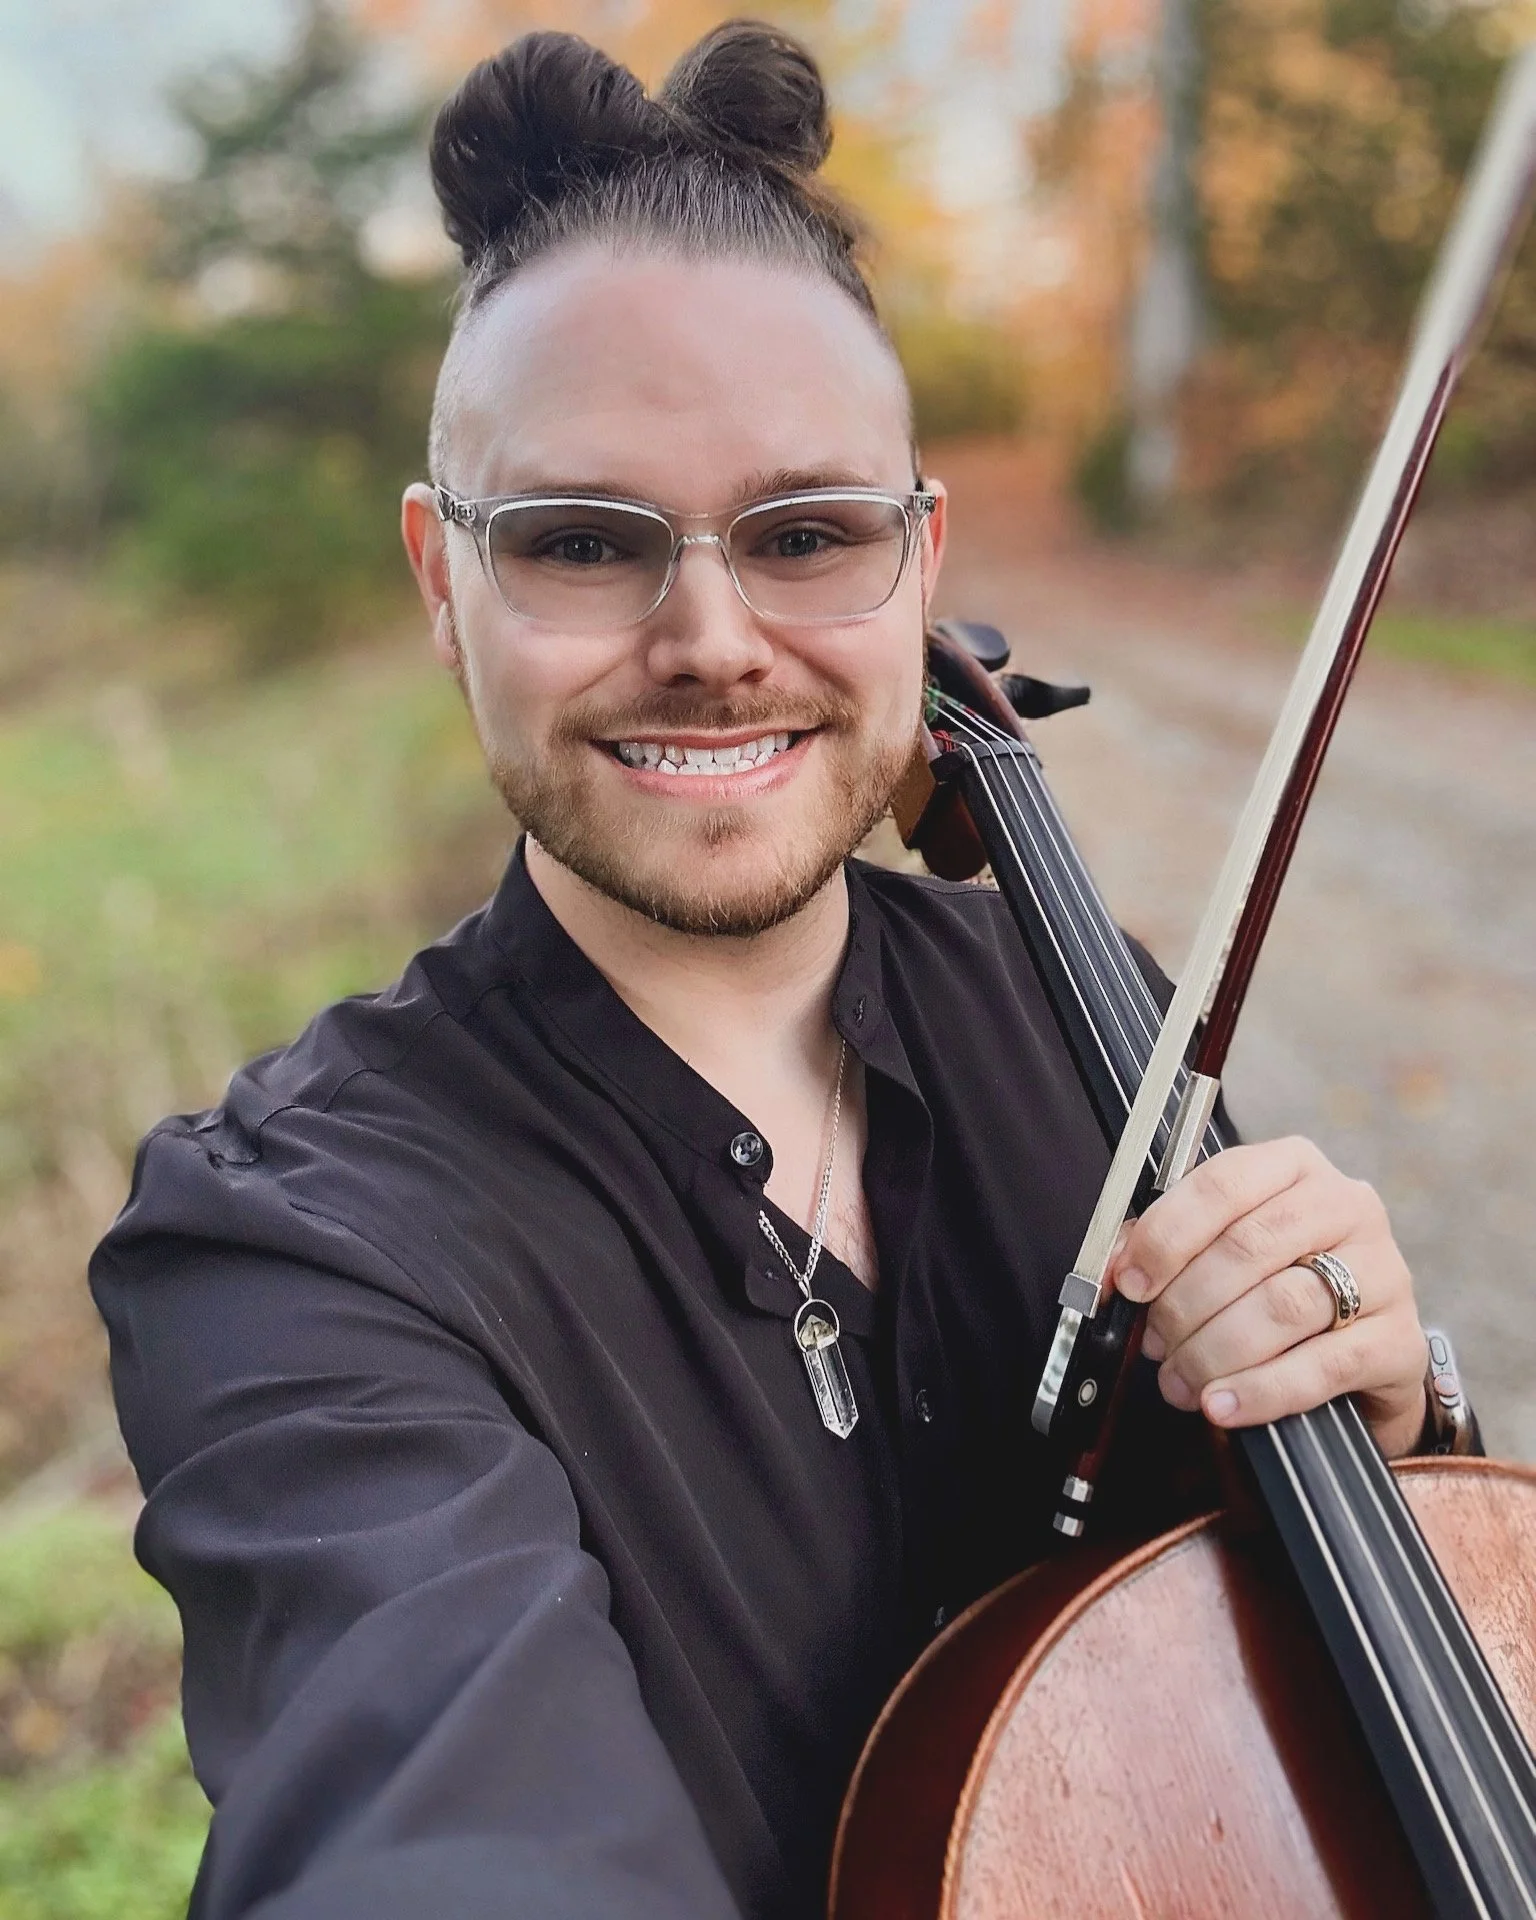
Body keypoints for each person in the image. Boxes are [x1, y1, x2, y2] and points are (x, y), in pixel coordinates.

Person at [91, 23, 1445, 1920]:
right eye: (582, 542)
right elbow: (435, 1820)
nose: (716, 640)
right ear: (438, 581)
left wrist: (1391, 1421)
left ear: (918, 554)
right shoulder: (295, 1243)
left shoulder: (1098, 1032)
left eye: (807, 532)